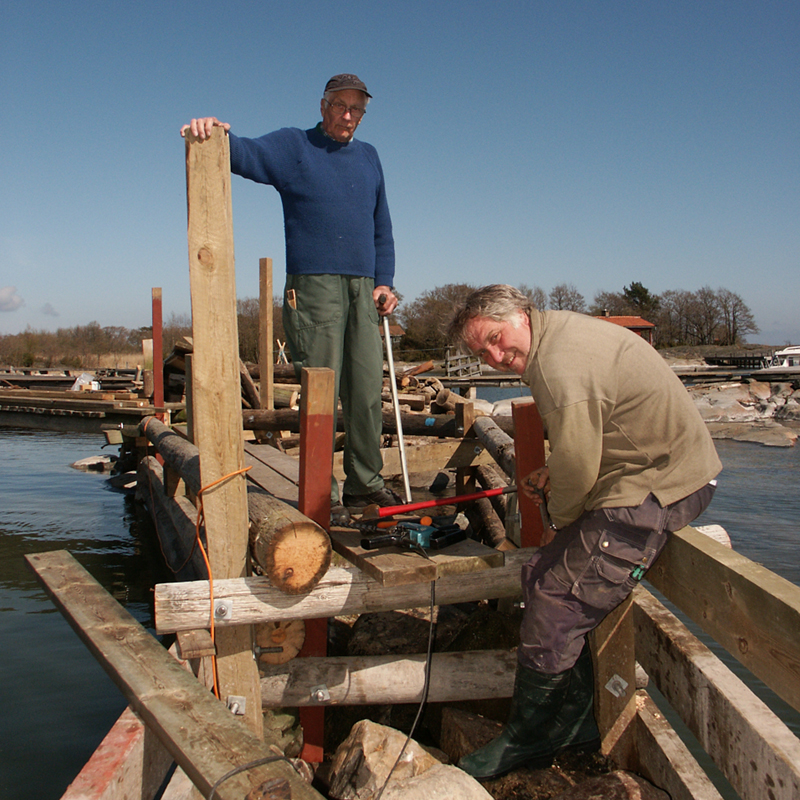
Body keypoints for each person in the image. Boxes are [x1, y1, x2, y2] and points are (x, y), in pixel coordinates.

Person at [447, 284, 721, 779]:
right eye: (478, 352)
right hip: (634, 469)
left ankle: (530, 736)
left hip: (660, 484)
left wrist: (560, 517)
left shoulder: (559, 363)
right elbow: (590, 436)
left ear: (521, 316)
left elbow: (575, 463)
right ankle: (573, 725)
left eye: (494, 338)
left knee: (558, 598)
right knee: (538, 575)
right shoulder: (554, 341)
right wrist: (559, 481)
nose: (492, 356)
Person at [181, 74, 402, 520]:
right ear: (323, 106)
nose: (347, 116)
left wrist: (384, 281)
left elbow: (382, 225)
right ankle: (321, 491)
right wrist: (215, 133)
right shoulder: (294, 146)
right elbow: (245, 155)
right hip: (315, 288)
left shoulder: (370, 157)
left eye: (356, 109)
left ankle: (365, 484)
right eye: (340, 106)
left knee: (364, 392)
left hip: (363, 289)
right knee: (321, 390)